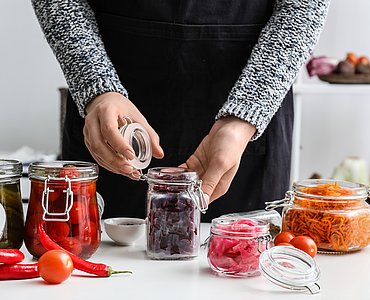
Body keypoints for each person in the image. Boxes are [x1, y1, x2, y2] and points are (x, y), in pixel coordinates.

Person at [32, 0, 330, 222]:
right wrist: (96, 86)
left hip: (246, 112)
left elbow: (303, 7)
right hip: (112, 110)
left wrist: (244, 116)